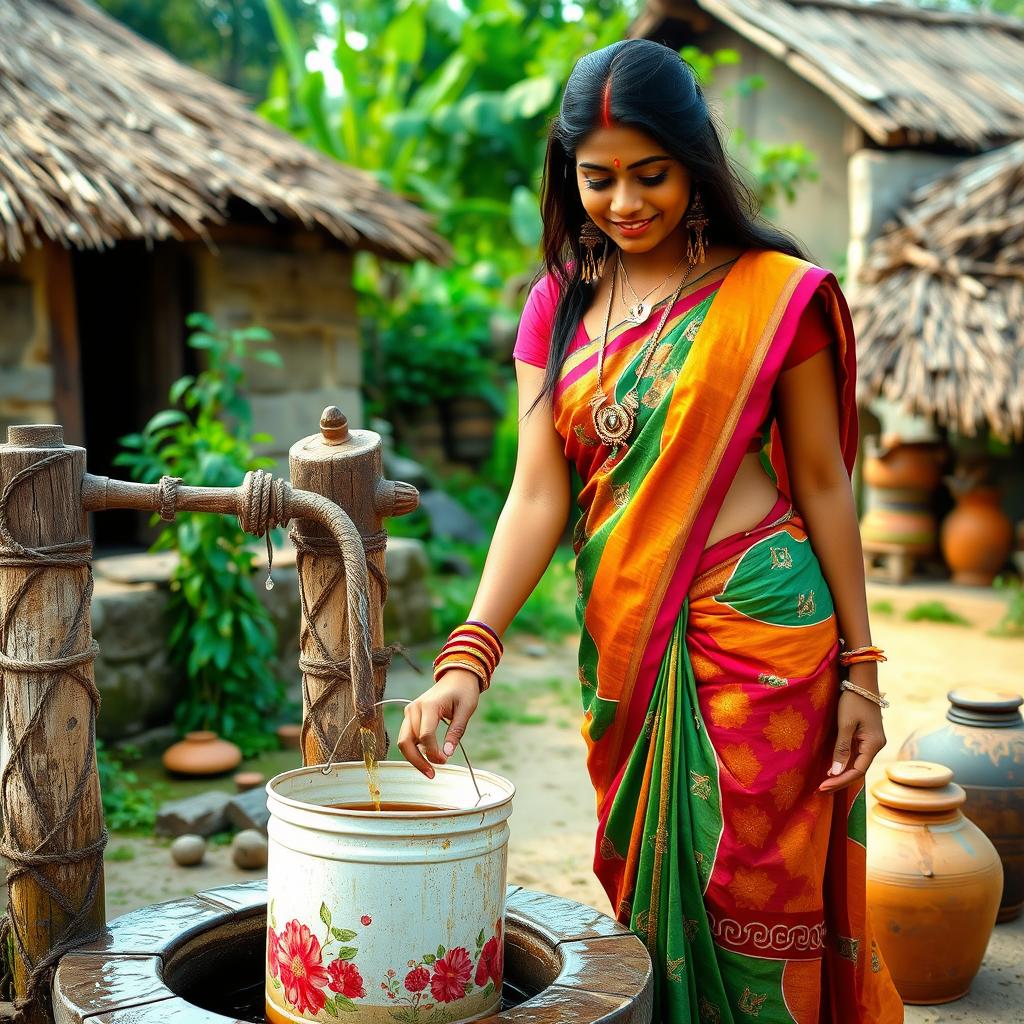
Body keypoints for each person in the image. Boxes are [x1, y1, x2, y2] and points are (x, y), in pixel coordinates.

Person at [398, 38, 904, 1023]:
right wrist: (468, 654)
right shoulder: (559, 305)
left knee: (760, 898)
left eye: (650, 175)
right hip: (626, 640)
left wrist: (864, 669)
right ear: (566, 174)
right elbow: (537, 495)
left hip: (763, 634)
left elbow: (822, 484)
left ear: (694, 163)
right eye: (597, 179)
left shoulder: (771, 295)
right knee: (648, 901)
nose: (623, 202)